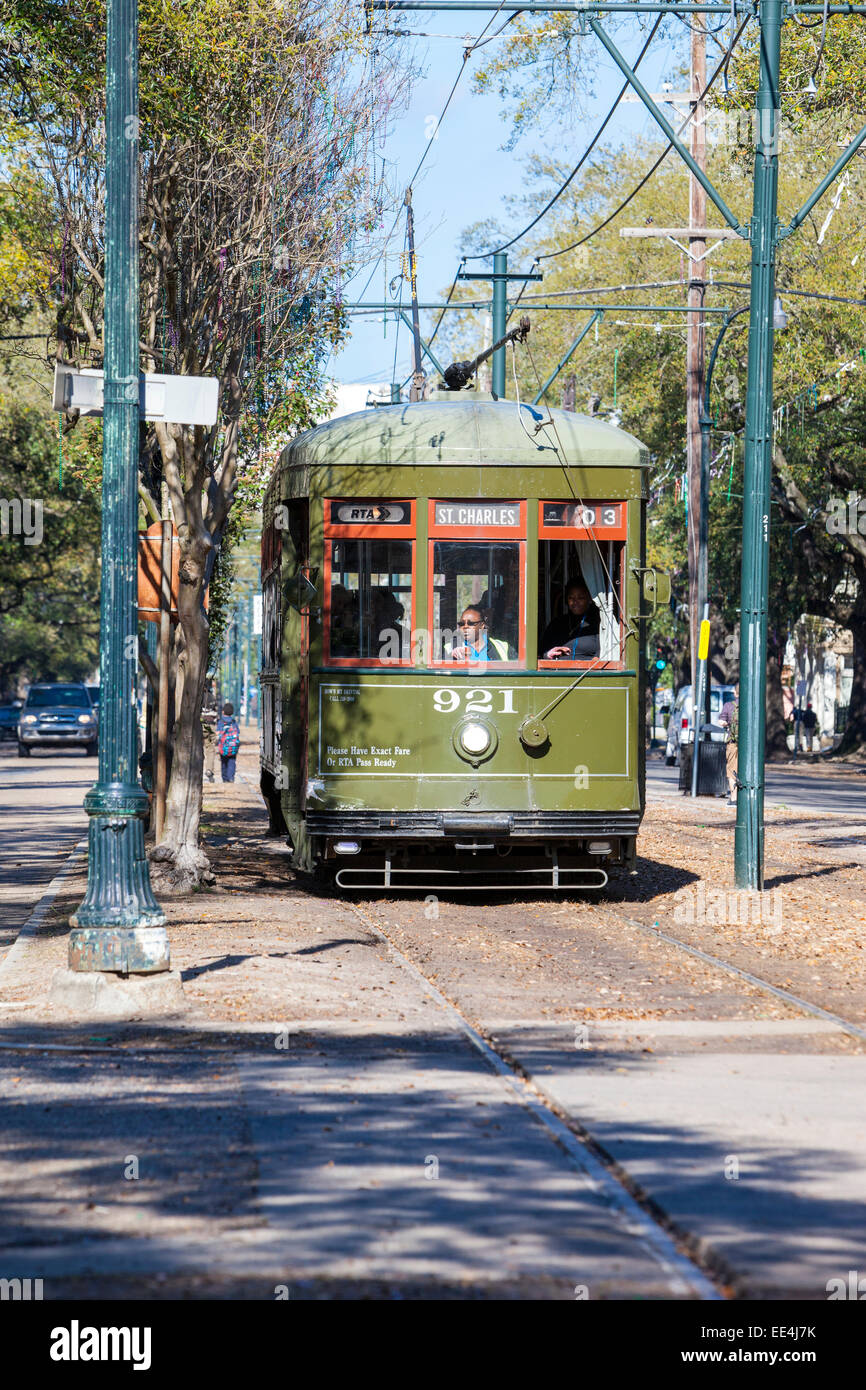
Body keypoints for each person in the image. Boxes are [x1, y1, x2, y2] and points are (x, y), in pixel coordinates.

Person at [540, 579, 601, 659]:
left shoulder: (598, 623)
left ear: (589, 599)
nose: (575, 601)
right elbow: (542, 652)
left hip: (588, 670)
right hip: (557, 670)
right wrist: (548, 654)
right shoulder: (557, 623)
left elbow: (602, 653)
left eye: (580, 598)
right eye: (571, 598)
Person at [450, 607, 516, 663]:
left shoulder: (502, 647)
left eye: (471, 623)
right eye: (461, 624)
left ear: (482, 625)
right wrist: (453, 656)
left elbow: (517, 670)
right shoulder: (451, 647)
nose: (465, 627)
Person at [719, 684, 739, 805]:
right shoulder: (751, 705)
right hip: (747, 745)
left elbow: (721, 721)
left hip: (732, 742)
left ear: (734, 692)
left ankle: (734, 798)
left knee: (731, 770)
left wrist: (728, 724)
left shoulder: (729, 705)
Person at [217, 702, 240, 783]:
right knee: (232, 761)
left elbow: (218, 733)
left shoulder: (220, 722)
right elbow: (238, 732)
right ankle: (231, 777)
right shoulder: (234, 722)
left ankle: (225, 778)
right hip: (233, 747)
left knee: (224, 762)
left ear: (223, 712)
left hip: (223, 747)